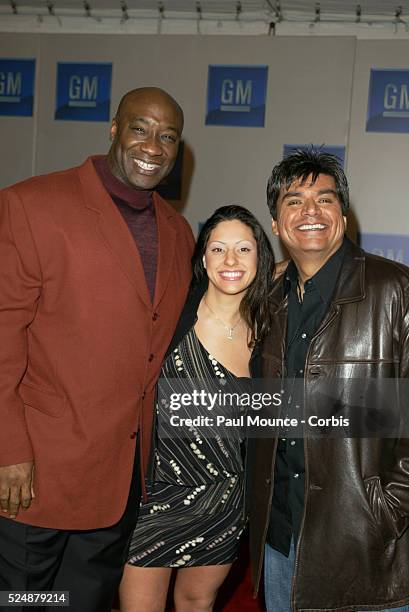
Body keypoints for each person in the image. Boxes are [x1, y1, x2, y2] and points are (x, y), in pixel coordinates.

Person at [0, 87, 195, 612]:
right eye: (140, 128)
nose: (153, 145)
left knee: (79, 603)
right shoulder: (32, 204)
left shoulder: (178, 233)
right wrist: (9, 450)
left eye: (168, 136)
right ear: (113, 128)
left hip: (120, 478)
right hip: (36, 474)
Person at [247, 148, 409, 612]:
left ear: (344, 213)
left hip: (368, 547)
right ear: (276, 225)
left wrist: (385, 510)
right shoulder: (266, 302)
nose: (311, 212)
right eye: (293, 201)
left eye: (325, 199)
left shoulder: (395, 291)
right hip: (281, 542)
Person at [119, 205, 275, 612]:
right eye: (218, 248)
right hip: (154, 495)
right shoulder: (170, 314)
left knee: (196, 603)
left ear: (260, 257)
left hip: (223, 498)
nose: (231, 261)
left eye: (244, 249)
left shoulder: (271, 331)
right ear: (203, 257)